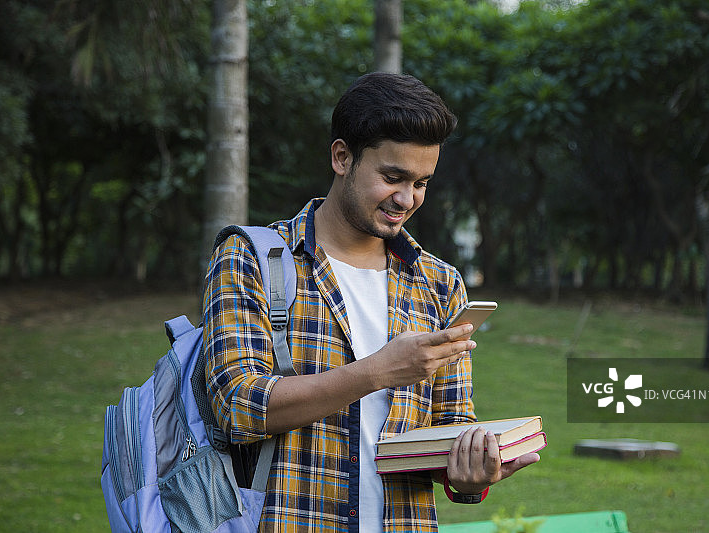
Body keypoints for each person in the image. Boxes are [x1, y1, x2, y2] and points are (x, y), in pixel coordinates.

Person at [202, 72, 539, 533]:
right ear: (342, 157)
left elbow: (452, 424)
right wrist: (378, 371)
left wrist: (471, 474)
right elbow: (237, 406)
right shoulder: (254, 257)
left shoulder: (440, 283)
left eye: (422, 182)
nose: (406, 199)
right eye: (393, 177)